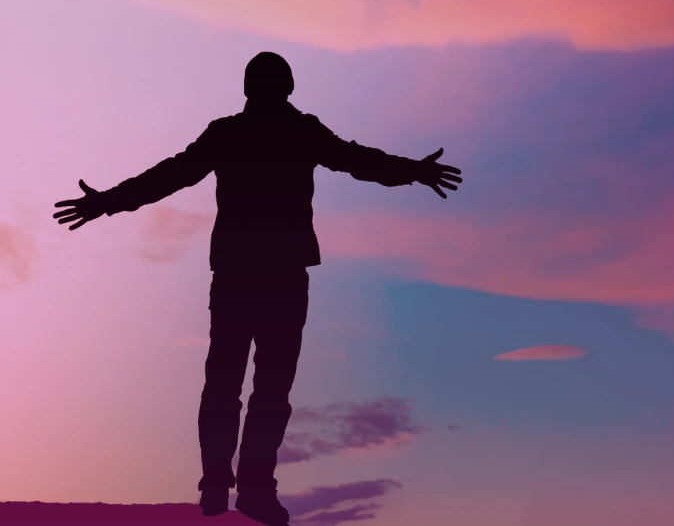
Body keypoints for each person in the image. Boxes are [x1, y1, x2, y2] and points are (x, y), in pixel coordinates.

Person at [52, 52, 463, 526]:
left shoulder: (238, 132)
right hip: (277, 275)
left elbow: (170, 175)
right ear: (287, 87)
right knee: (264, 387)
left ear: (250, 88)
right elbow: (359, 161)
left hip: (242, 274)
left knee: (230, 384)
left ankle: (224, 488)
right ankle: (247, 488)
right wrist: (414, 170)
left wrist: (108, 202)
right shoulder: (294, 130)